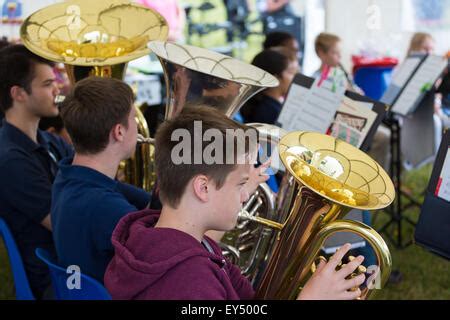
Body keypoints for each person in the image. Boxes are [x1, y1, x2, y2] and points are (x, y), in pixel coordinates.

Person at [104, 106, 366, 300]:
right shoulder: (189, 283)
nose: (246, 194)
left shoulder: (165, 238)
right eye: (241, 184)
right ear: (203, 188)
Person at [51, 77, 152, 283]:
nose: (136, 126)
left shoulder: (69, 175)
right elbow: (173, 248)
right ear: (119, 132)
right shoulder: (103, 205)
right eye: (132, 119)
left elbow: (149, 205)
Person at [0, 44, 73, 299]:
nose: (58, 90)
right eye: (47, 84)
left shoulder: (50, 141)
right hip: (55, 276)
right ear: (19, 93)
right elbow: (64, 224)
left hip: (70, 262)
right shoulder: (10, 160)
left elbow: (91, 182)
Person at [240, 48, 298, 125]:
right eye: (292, 72)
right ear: (275, 77)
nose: (295, 78)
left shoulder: (264, 105)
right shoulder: (269, 112)